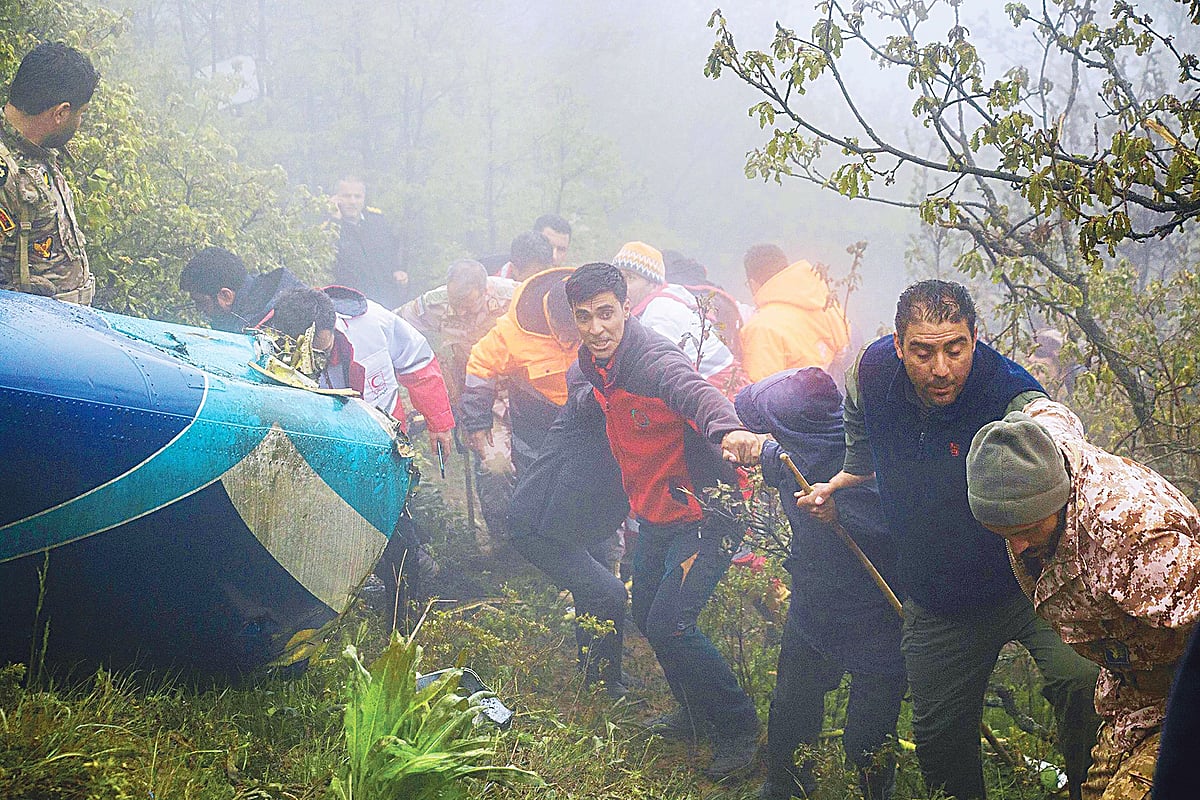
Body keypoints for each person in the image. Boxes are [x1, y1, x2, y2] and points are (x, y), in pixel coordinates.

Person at [798, 280, 1101, 800]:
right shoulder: (871, 373)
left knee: (1083, 685)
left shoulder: (1008, 390)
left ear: (975, 339)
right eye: (922, 351)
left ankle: (1093, 789)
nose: (941, 368)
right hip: (938, 601)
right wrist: (849, 475)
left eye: (955, 349)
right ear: (897, 344)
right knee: (940, 742)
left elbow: (1059, 437)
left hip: (1033, 585)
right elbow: (859, 421)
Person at [561, 262, 764, 781]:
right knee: (649, 614)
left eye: (606, 313)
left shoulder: (652, 359)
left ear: (627, 308)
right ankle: (695, 715)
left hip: (707, 513)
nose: (596, 327)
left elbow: (694, 392)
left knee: (673, 623)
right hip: (657, 513)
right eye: (584, 317)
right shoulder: (593, 365)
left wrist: (728, 429)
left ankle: (740, 728)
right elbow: (592, 393)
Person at [966, 400, 1200, 800]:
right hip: (1130, 699)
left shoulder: (1134, 542)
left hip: (1183, 697)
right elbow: (1048, 411)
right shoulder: (1039, 449)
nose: (1018, 545)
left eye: (1029, 529)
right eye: (1003, 531)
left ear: (1058, 499)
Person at [736, 367, 905, 800]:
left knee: (867, 737)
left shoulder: (869, 462)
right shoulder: (789, 456)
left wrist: (840, 514)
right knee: (793, 700)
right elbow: (763, 436)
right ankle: (785, 786)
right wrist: (748, 444)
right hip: (816, 602)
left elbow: (900, 529)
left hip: (879, 614)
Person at [269, 286, 456, 608]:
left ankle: (409, 597)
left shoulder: (372, 324)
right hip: (322, 456)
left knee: (394, 529)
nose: (319, 358)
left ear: (334, 325)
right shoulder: (271, 344)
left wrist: (439, 421)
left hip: (383, 446)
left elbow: (419, 363)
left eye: (322, 347)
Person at [399, 259, 518, 548]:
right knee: (495, 466)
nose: (462, 311)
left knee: (532, 465)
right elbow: (391, 326)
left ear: (485, 289)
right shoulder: (435, 303)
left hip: (521, 391)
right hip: (474, 398)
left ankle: (537, 538)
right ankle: (503, 542)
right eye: (457, 303)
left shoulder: (513, 295)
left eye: (469, 304)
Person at [0, 43, 99, 304]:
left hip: (62, 327)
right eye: (81, 113)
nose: (79, 122)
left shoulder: (39, 149)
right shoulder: (5, 174)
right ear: (61, 113)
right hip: (27, 334)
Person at [460, 267, 577, 475]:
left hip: (589, 418)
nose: (568, 342)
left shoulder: (598, 306)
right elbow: (480, 364)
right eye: (563, 334)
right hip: (534, 422)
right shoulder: (517, 329)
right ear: (549, 315)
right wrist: (477, 421)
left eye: (575, 336)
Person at [612, 241, 743, 395]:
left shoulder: (661, 309)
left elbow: (653, 369)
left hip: (722, 391)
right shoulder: (652, 305)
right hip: (707, 387)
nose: (621, 285)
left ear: (653, 284)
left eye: (631, 278)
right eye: (619, 277)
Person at [739, 244, 850, 382]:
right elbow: (844, 348)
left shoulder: (761, 328)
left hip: (802, 402)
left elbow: (761, 392)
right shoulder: (824, 301)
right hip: (835, 393)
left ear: (753, 284)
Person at [178, 246, 306, 333]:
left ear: (226, 296)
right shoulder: (257, 292)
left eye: (201, 302)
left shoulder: (267, 330)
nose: (199, 309)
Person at [330, 176, 409, 308]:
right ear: (336, 198)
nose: (352, 201)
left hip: (386, 302)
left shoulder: (378, 222)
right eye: (346, 196)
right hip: (350, 305)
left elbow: (392, 251)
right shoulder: (329, 230)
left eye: (357, 196)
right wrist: (335, 220)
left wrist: (399, 270)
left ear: (364, 198)